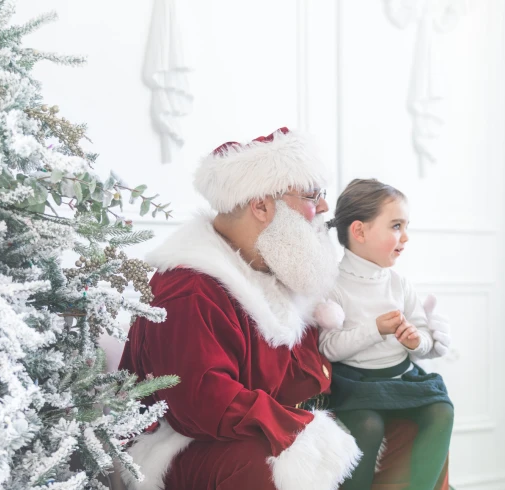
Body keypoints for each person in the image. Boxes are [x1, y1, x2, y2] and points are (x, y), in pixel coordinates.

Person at [118, 128, 450, 490]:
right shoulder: (190, 288)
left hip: (269, 418)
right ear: (261, 206)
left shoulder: (276, 266)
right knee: (262, 460)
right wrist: (301, 427)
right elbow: (202, 405)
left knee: (412, 417)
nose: (324, 208)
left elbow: (310, 369)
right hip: (181, 445)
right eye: (312, 195)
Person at [317, 178, 454, 490]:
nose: (405, 237)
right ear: (360, 231)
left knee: (441, 409)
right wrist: (375, 329)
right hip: (356, 384)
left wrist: (416, 341)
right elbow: (329, 348)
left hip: (401, 378)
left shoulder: (398, 284)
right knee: (367, 423)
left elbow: (425, 338)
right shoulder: (334, 286)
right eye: (395, 226)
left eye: (406, 226)